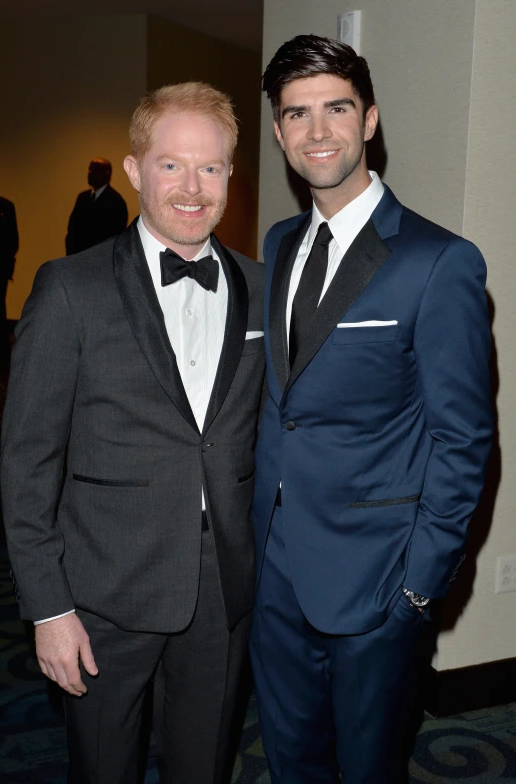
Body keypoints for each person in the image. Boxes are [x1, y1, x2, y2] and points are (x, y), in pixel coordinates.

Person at [1, 81, 265, 784]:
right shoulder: (69, 289)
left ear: (230, 175)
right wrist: (48, 606)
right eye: (171, 164)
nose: (191, 187)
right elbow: (27, 460)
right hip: (102, 591)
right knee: (104, 769)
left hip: (223, 588)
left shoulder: (260, 288)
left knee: (203, 766)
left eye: (210, 167)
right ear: (134, 169)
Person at [250, 35, 492, 784]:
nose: (317, 131)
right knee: (292, 761)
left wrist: (420, 586)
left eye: (336, 109)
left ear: (370, 119)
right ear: (280, 131)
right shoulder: (282, 241)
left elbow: (466, 440)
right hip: (273, 569)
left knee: (367, 769)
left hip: (379, 579)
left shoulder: (438, 261)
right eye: (297, 114)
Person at [65, 157, 128, 254]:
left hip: (100, 260)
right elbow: (72, 229)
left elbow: (114, 238)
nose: (89, 173)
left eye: (95, 169)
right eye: (89, 169)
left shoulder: (116, 202)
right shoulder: (82, 198)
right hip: (77, 258)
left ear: (107, 173)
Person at [0, 194, 18, 367]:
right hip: (0, 268)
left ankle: (2, 356)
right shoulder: (5, 205)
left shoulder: (5, 206)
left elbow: (12, 241)